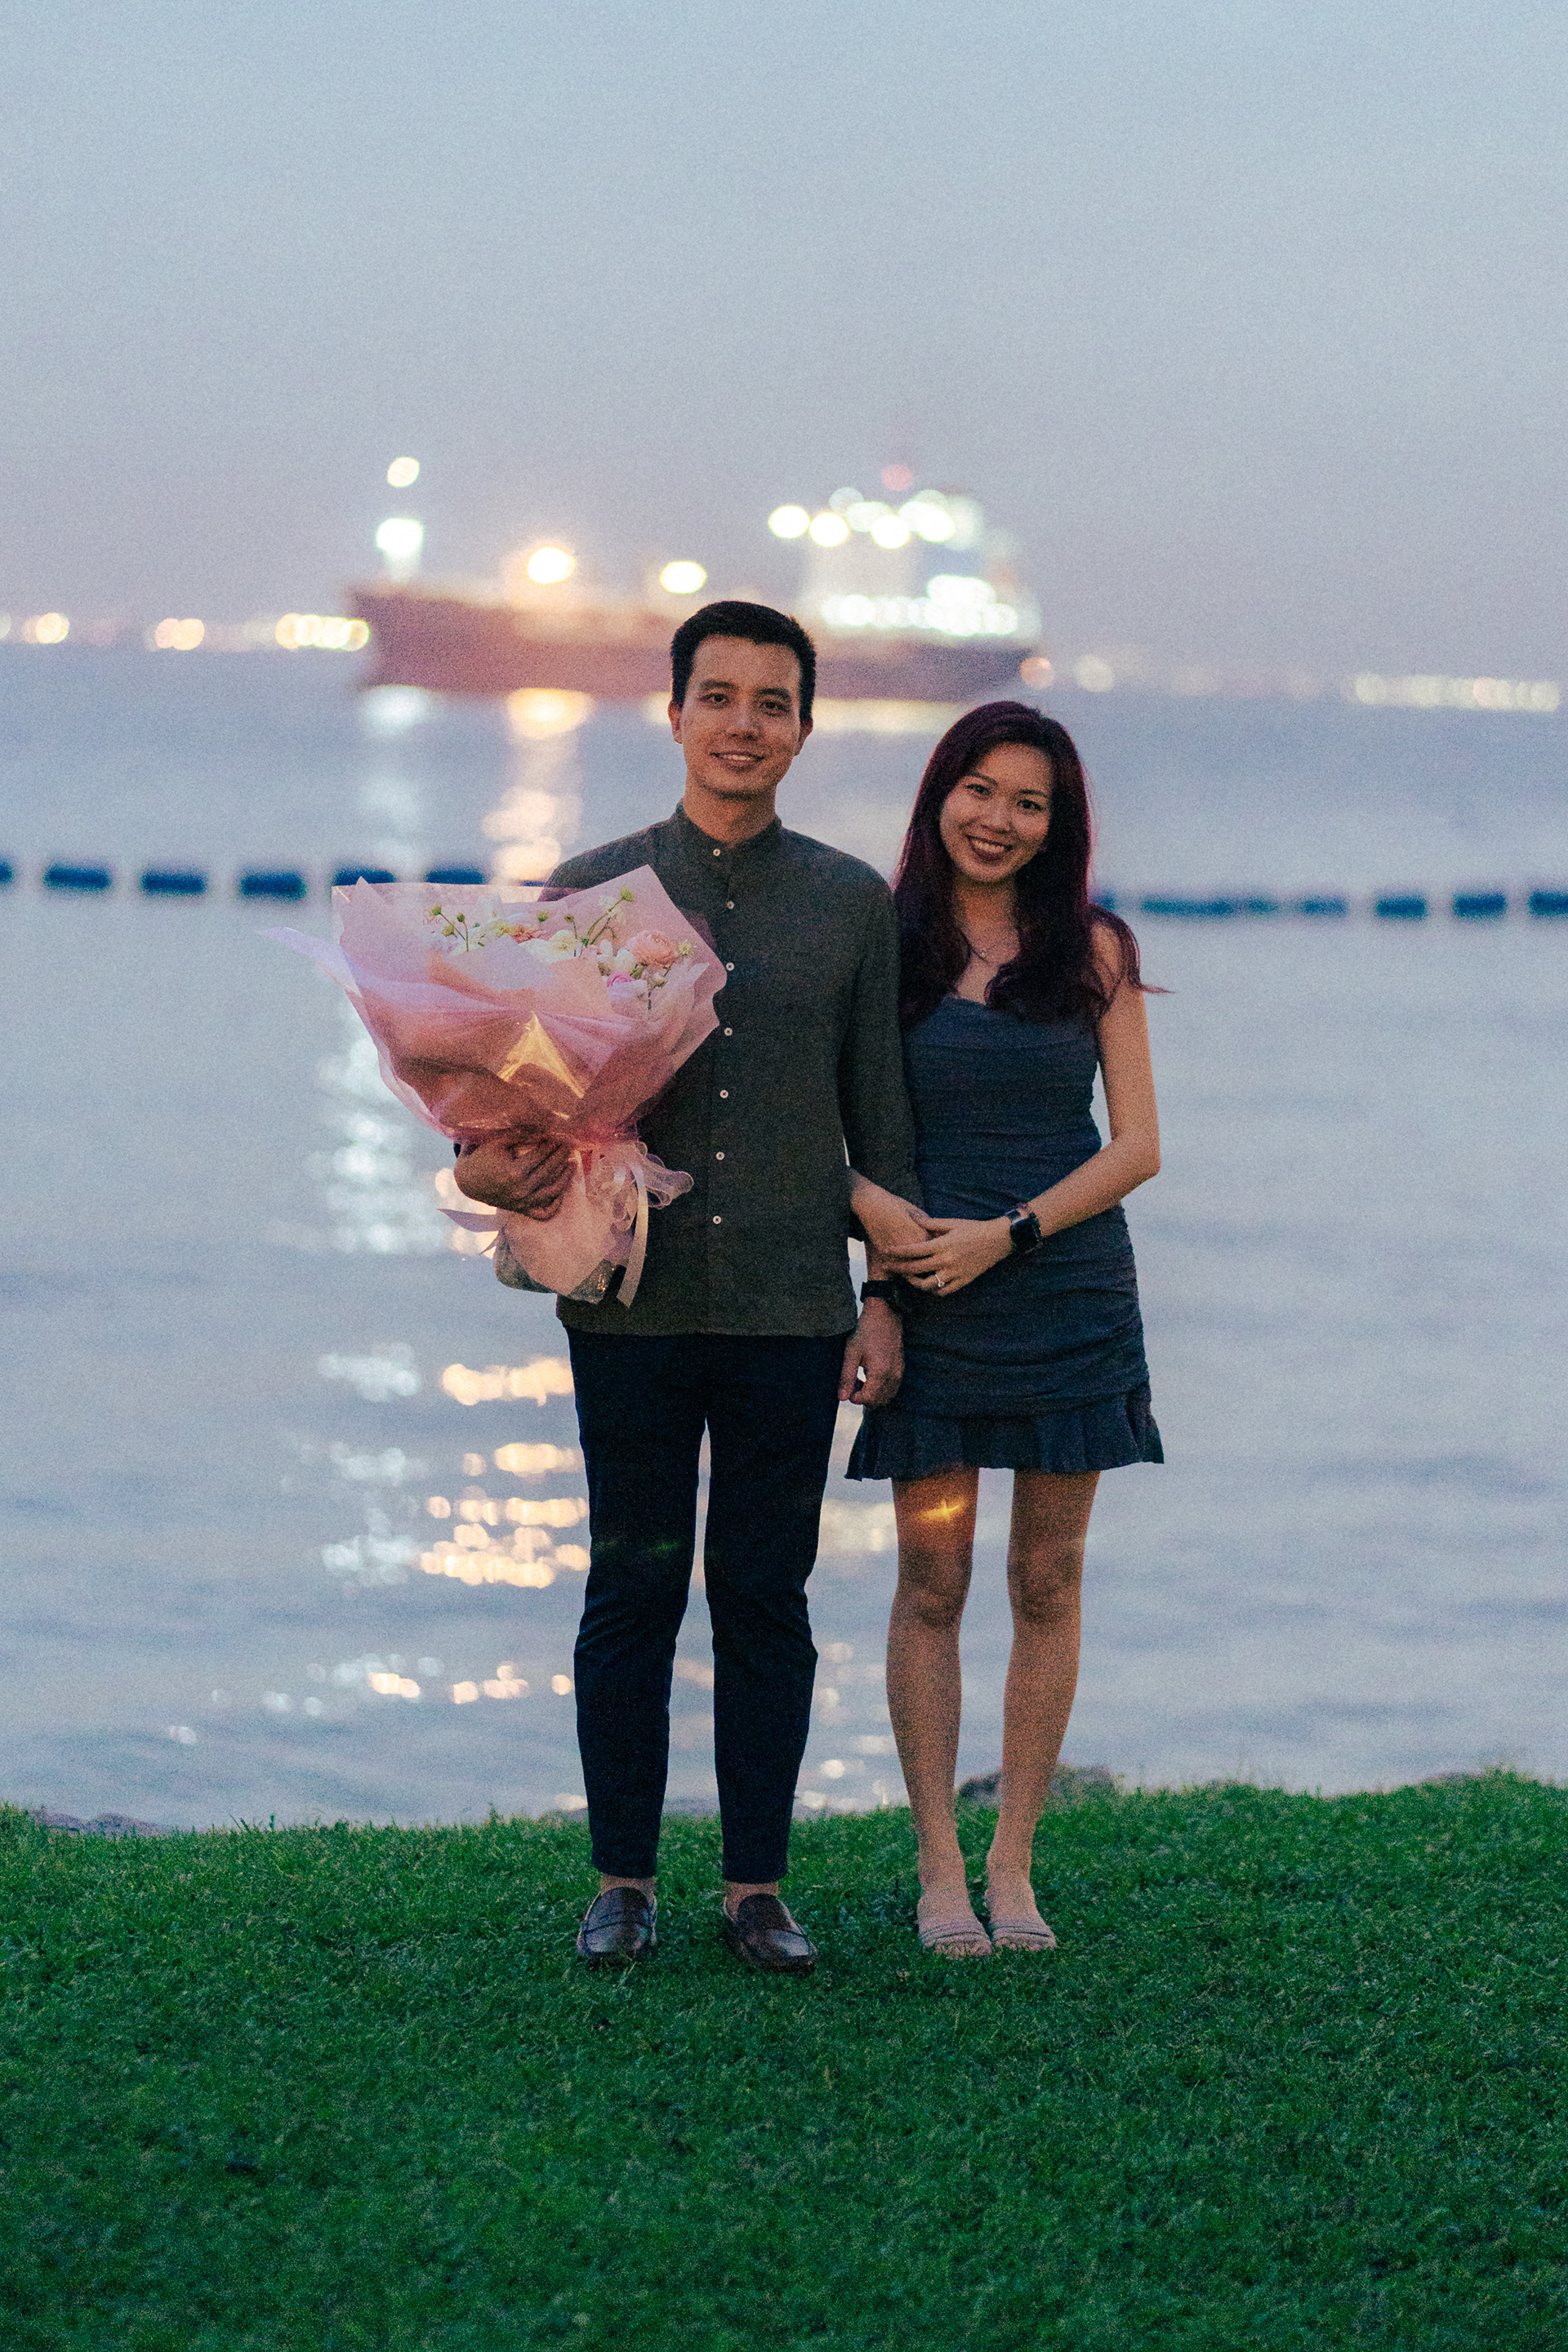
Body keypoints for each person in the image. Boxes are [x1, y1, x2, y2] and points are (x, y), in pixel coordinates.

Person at [453, 601, 919, 1976]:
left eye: (772, 703)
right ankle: (622, 1882)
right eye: (718, 697)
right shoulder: (591, 891)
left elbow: (880, 1114)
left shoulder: (850, 902)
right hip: (630, 1300)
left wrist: (886, 1298)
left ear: (805, 729)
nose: (742, 726)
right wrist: (491, 1163)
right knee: (631, 1582)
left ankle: (757, 1888)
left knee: (766, 1596)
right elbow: (517, 1096)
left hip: (791, 1304)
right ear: (673, 715)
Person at [846, 702, 1162, 1958]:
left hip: (1065, 1293)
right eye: (979, 790)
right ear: (940, 794)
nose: (998, 819)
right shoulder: (883, 941)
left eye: (1029, 802)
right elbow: (836, 1132)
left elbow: (1138, 1145)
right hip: (929, 1298)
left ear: (1057, 824)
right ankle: (938, 1867)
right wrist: (882, 1284)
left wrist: (1010, 1233)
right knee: (933, 1579)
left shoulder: (1093, 948)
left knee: (1048, 1578)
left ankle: (1014, 1865)